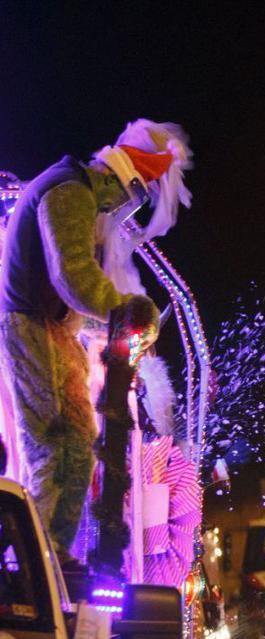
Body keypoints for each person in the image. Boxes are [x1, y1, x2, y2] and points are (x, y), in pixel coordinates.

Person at [0, 120, 191, 559]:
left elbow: (72, 291)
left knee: (77, 444)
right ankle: (36, 559)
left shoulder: (72, 188)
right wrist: (125, 308)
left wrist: (108, 319)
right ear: (123, 183)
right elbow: (74, 278)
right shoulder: (69, 191)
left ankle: (51, 554)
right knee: (56, 444)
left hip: (48, 326)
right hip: (33, 327)